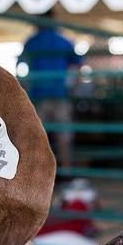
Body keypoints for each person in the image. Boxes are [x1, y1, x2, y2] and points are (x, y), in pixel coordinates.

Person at [20, 10, 82, 172]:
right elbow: (77, 66)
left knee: (38, 136)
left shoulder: (32, 41)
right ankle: (67, 172)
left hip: (38, 96)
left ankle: (37, 174)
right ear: (53, 19)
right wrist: (73, 86)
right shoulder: (64, 40)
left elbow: (21, 66)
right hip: (60, 95)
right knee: (64, 136)